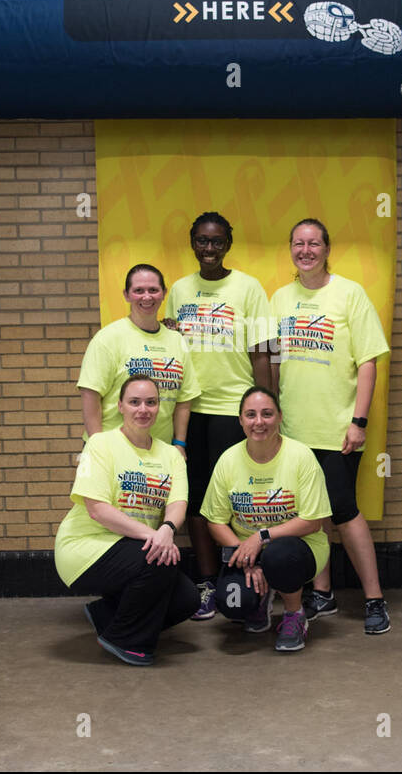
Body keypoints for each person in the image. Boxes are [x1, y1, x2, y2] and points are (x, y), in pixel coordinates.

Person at [270, 218, 392, 634]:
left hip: (337, 429)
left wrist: (359, 421)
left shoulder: (349, 294)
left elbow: (369, 362)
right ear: (290, 248)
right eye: (298, 243)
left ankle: (374, 599)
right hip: (292, 430)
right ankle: (321, 593)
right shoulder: (280, 299)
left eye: (314, 243)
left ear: (326, 249)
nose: (306, 250)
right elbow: (269, 359)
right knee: (309, 513)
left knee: (343, 511)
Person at [163, 212, 275, 622]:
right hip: (189, 409)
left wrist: (264, 406)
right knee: (195, 500)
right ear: (192, 242)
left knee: (233, 501)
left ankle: (245, 578)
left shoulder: (249, 288)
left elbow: (262, 350)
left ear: (229, 243)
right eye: (201, 241)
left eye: (217, 241)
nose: (209, 249)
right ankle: (209, 582)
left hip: (232, 408)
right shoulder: (177, 290)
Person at [55, 375, 198, 666]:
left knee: (187, 600)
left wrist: (167, 530)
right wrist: (153, 536)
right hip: (85, 547)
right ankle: (125, 638)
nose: (142, 409)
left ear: (159, 407)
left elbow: (177, 503)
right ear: (120, 406)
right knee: (157, 560)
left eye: (151, 402)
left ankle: (106, 615)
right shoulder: (99, 445)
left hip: (132, 547)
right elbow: (97, 509)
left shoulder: (171, 455)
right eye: (134, 402)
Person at [201, 387, 332, 652]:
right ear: (240, 420)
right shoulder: (228, 460)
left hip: (298, 547)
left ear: (280, 417)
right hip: (246, 551)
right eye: (251, 415)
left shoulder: (301, 456)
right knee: (233, 603)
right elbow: (215, 521)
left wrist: (260, 537)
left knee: (279, 556)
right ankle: (259, 601)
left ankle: (295, 615)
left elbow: (313, 521)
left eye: (267, 414)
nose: (259, 422)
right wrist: (245, 556)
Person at [77, 263, 201, 447]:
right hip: (113, 448)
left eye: (153, 289)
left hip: (159, 450)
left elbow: (184, 399)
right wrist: (98, 446)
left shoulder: (176, 341)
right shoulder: (108, 338)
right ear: (126, 295)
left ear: (163, 293)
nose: (147, 296)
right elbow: (90, 394)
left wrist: (179, 444)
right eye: (138, 290)